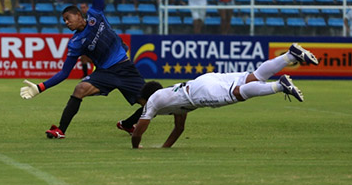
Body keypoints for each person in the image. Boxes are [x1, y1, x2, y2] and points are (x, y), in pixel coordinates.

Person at [20, 0, 147, 140]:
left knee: (151, 104)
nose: (66, 22)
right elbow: (65, 72)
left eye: (67, 18)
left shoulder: (96, 14)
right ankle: (60, 130)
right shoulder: (75, 43)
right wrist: (40, 87)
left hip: (125, 68)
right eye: (63, 20)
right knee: (79, 89)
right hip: (105, 73)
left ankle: (127, 124)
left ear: (79, 15)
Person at [129, 44, 319, 148]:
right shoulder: (173, 102)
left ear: (148, 97)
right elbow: (179, 129)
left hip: (199, 92)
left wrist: (136, 147)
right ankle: (290, 56)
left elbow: (138, 132)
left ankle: (279, 86)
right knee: (253, 77)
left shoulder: (154, 100)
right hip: (201, 82)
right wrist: (165, 149)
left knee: (236, 94)